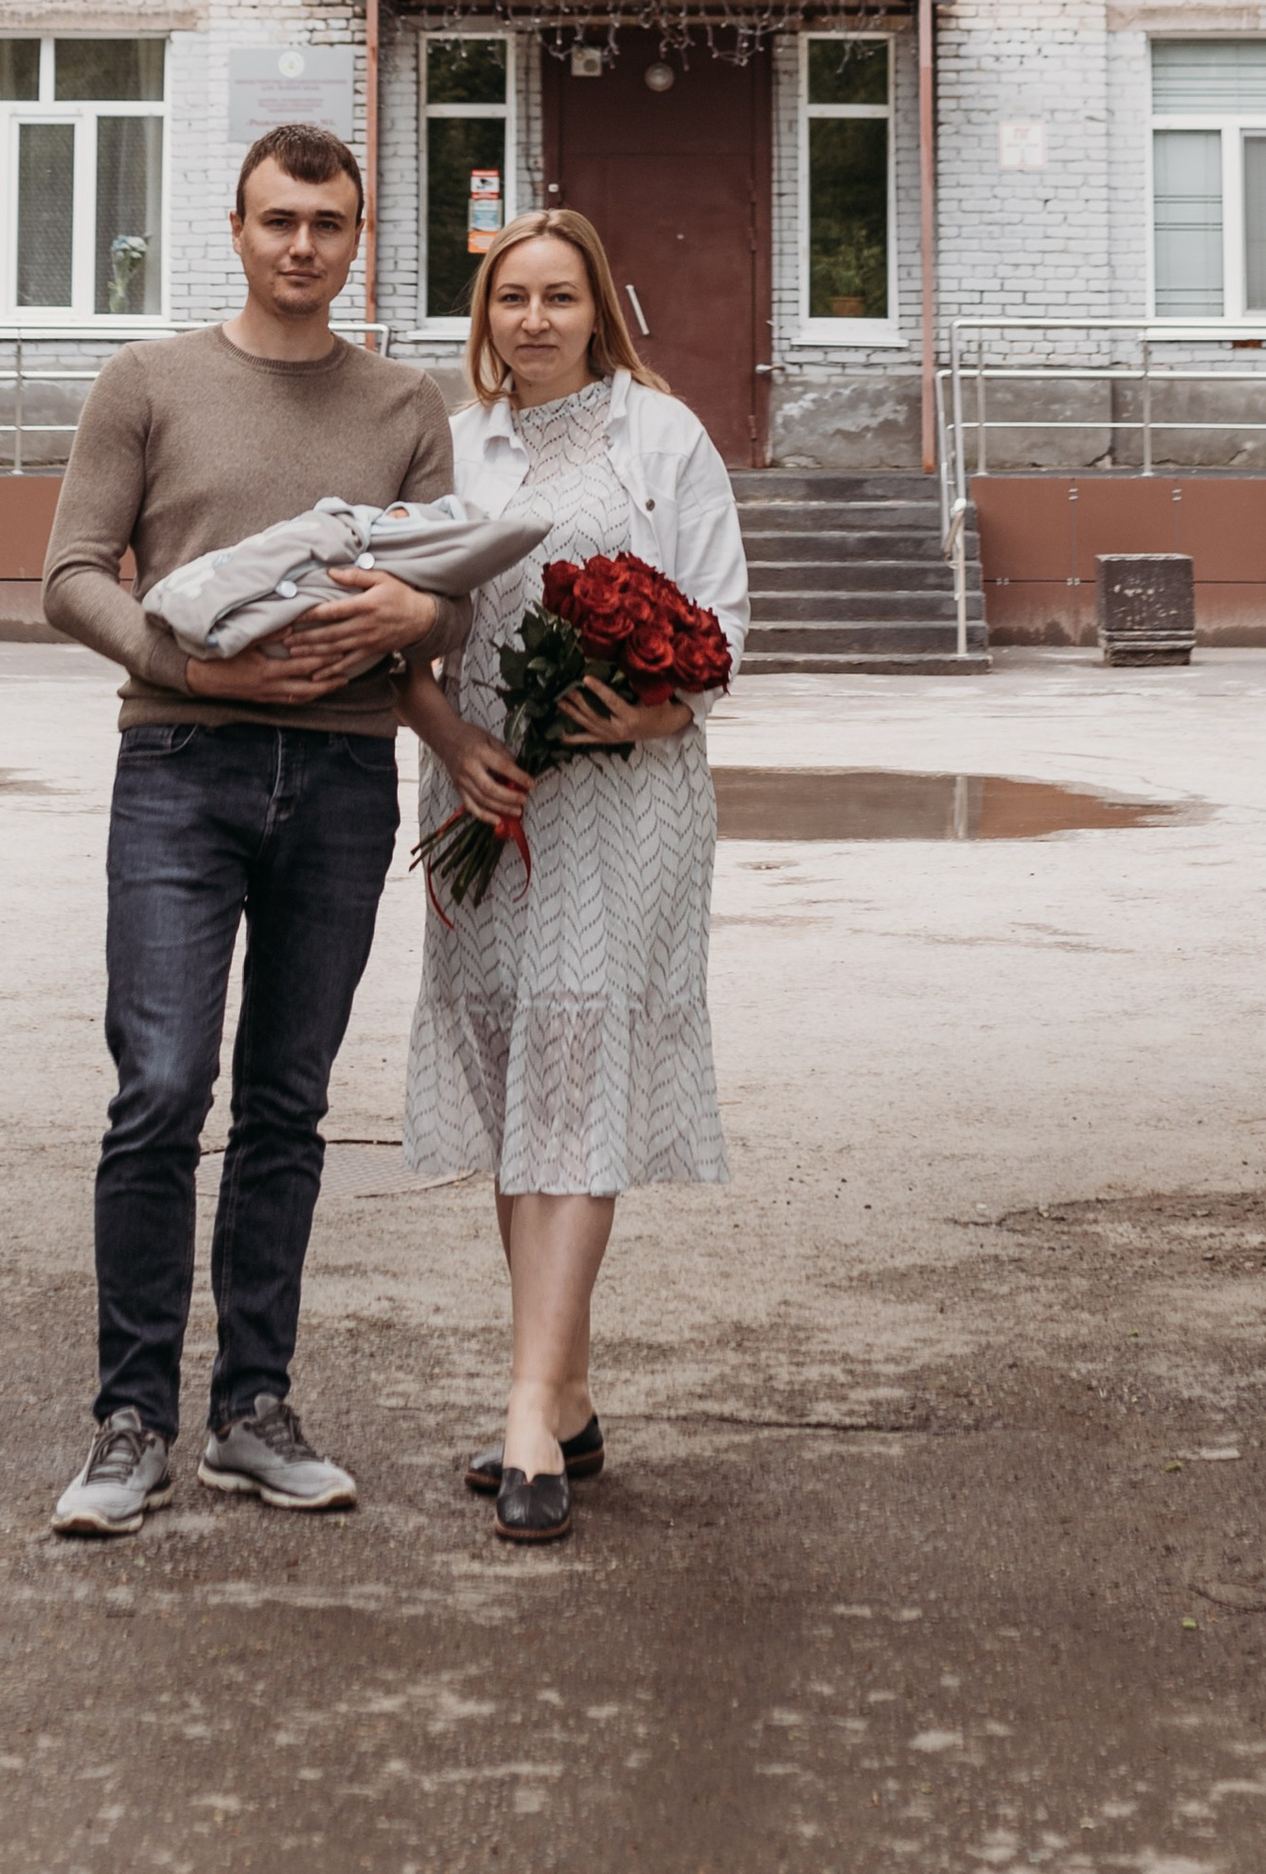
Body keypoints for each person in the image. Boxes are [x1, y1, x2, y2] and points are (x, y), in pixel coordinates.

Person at [40, 122, 459, 1538]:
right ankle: (128, 1420)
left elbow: (445, 592)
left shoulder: (405, 406)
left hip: (342, 782)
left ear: (356, 238)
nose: (301, 246)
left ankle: (252, 1413)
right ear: (234, 227)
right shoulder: (147, 383)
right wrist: (190, 668)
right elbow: (71, 574)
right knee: (159, 1088)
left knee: (289, 1103)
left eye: (327, 224)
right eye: (278, 220)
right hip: (181, 770)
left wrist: (425, 612)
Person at [399, 205, 749, 1544]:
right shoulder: (456, 446)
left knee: (580, 1074)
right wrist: (458, 743)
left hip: (626, 804)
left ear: (599, 308)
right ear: (482, 317)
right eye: (508, 299)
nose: (532, 320)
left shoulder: (659, 437)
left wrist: (657, 712)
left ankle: (529, 1414)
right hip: (488, 790)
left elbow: (721, 616)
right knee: (515, 1080)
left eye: (558, 297)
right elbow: (416, 632)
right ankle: (573, 1389)